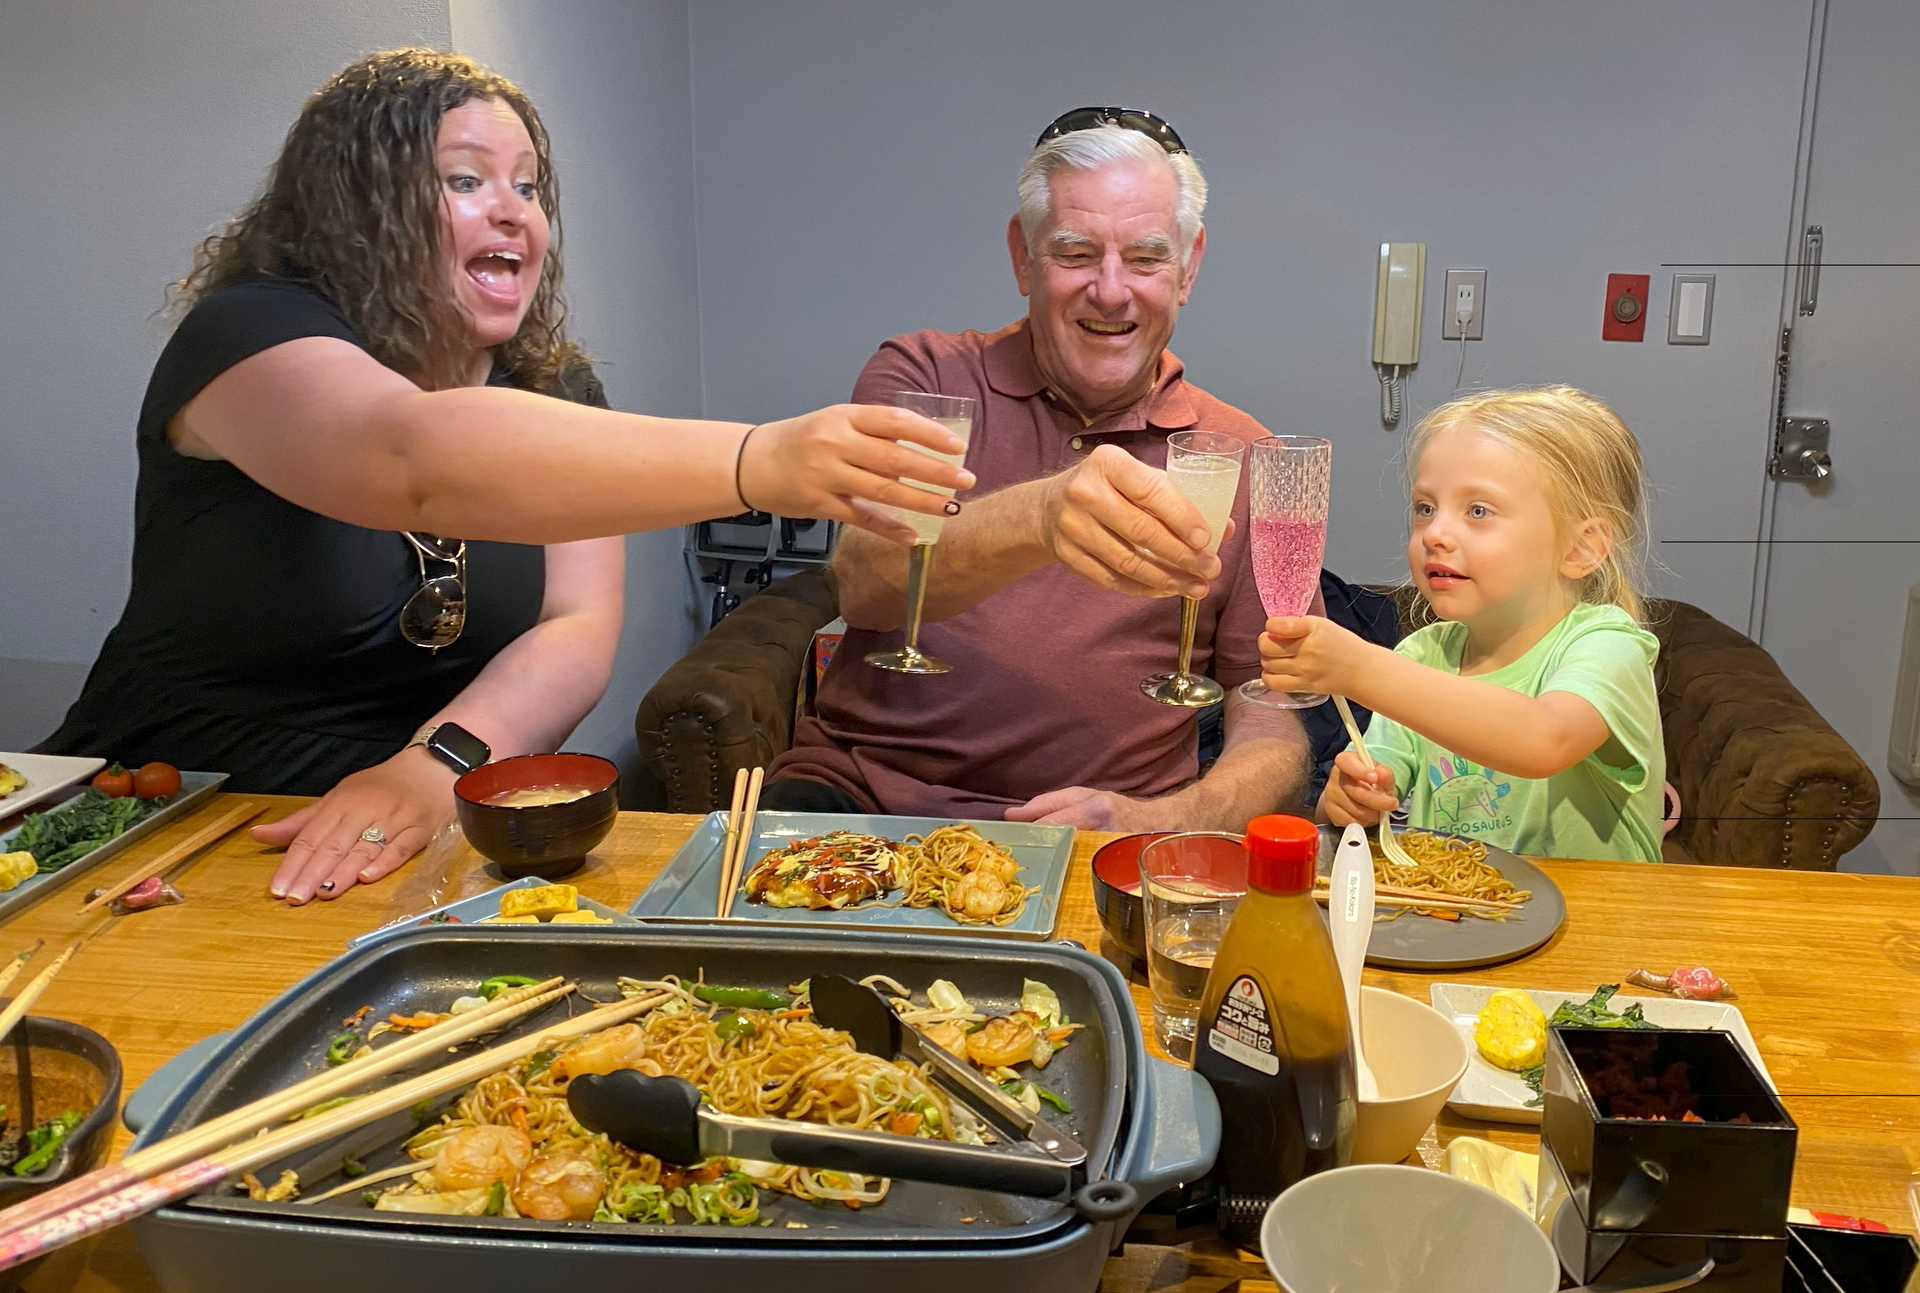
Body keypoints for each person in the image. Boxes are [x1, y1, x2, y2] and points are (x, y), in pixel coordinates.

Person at [39, 49, 970, 904]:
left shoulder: (555, 386)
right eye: (464, 180)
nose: (515, 210)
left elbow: (577, 624)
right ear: (357, 204)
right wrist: (756, 461)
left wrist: (436, 764)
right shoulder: (248, 334)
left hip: (411, 819)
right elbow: (411, 458)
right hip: (179, 813)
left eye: (529, 186)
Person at [766, 109, 1313, 829]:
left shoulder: (1241, 452)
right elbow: (866, 585)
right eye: (1077, 254)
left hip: (1107, 835)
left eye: (1146, 257)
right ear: (1024, 257)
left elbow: (1272, 717)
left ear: (1189, 265)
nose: (1112, 291)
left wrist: (1171, 817)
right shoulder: (927, 378)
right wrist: (1040, 517)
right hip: (867, 803)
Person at [1258, 386, 1665, 861]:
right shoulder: (1422, 655)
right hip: (1465, 918)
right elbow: (1363, 793)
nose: (1435, 534)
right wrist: (1349, 801)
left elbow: (1544, 741)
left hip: (1602, 922)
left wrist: (1361, 669)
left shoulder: (1606, 645)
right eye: (1425, 508)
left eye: (1478, 511)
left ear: (1582, 548)